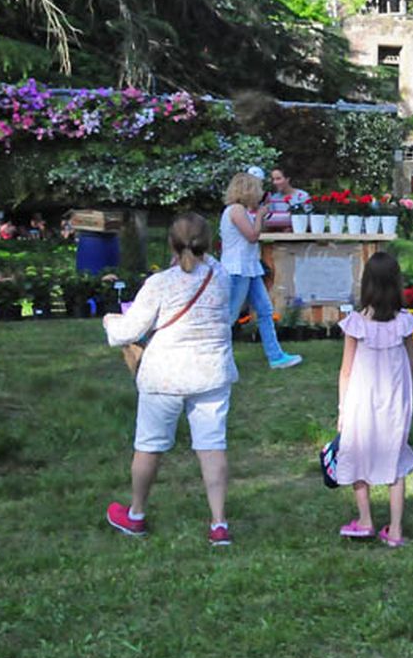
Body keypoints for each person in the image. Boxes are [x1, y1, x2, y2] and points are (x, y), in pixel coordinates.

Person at [102, 213, 236, 545]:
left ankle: (136, 515)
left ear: (170, 245)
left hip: (165, 375)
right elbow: (207, 262)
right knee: (212, 445)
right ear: (210, 243)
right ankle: (219, 524)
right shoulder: (221, 277)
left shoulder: (160, 284)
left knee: (149, 446)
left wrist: (109, 320)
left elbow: (128, 332)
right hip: (211, 373)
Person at [334, 252, 413, 547]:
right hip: (395, 403)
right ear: (397, 284)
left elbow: (346, 371)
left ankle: (366, 520)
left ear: (366, 284)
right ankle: (395, 530)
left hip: (361, 403)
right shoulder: (405, 323)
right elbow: (411, 366)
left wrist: (343, 410)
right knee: (394, 459)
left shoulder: (356, 324)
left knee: (358, 455)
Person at [221, 172, 302, 370]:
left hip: (250, 268)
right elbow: (252, 236)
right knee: (229, 316)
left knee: (265, 311)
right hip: (237, 270)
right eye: (256, 188)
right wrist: (258, 216)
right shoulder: (236, 210)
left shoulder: (243, 210)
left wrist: (260, 215)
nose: (259, 192)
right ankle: (218, 360)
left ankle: (276, 356)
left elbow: (256, 231)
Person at [264, 167, 311, 232]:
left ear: (287, 179)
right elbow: (270, 221)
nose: (275, 182)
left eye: (278, 179)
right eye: (273, 179)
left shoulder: (302, 195)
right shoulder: (274, 198)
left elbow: (310, 219)